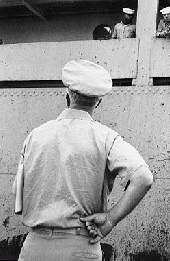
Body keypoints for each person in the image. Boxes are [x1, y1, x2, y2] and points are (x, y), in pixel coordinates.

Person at [13, 59, 153, 261]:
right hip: (81, 246)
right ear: (98, 101)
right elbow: (143, 178)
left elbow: (19, 202)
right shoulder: (106, 138)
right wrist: (110, 220)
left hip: (34, 247)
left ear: (67, 95)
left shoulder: (35, 135)